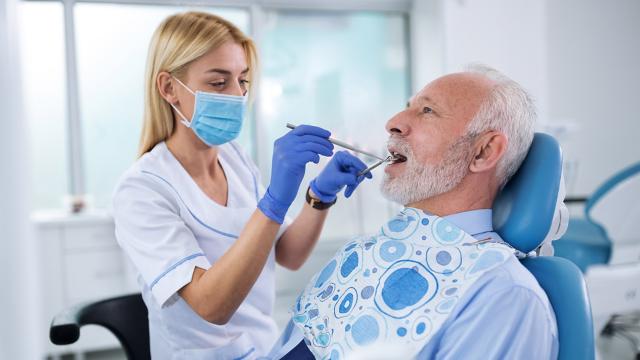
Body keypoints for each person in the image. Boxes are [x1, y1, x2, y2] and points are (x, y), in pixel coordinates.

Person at [112, 11, 371, 359]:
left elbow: (288, 254)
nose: (237, 95)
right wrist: (274, 202)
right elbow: (211, 306)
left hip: (263, 347)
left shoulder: (234, 159)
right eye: (219, 83)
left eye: (243, 81)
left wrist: (319, 195)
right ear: (169, 88)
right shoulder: (142, 190)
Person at [268, 65, 559, 359]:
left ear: (483, 151)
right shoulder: (366, 253)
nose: (393, 123)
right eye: (408, 107)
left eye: (428, 111)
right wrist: (316, 196)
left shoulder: (502, 297)